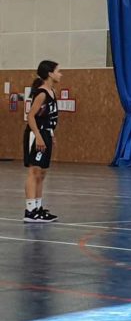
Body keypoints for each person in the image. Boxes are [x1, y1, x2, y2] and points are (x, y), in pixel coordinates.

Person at [23, 60, 62, 223]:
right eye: (58, 71)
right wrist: (38, 136)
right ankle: (30, 210)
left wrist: (50, 135)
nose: (60, 74)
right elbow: (31, 117)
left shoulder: (52, 91)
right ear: (50, 74)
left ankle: (38, 208)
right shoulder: (42, 94)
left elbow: (48, 118)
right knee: (34, 171)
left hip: (45, 133)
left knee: (42, 173)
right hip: (36, 135)